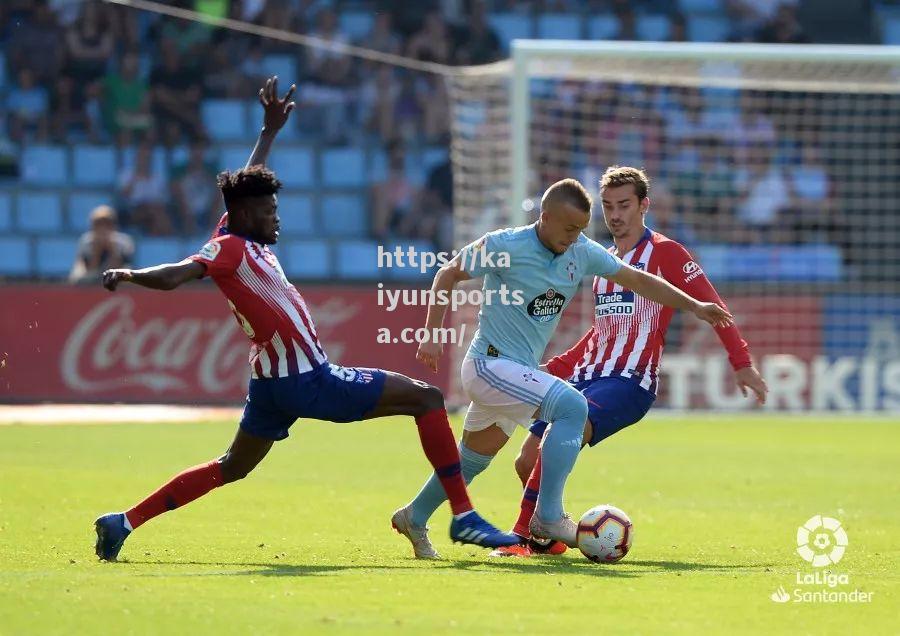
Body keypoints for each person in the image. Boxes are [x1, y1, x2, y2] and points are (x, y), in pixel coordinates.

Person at [93, 77, 518, 562]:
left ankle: (122, 522)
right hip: (307, 379)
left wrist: (269, 131)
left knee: (232, 466)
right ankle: (463, 515)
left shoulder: (239, 232)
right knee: (427, 398)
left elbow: (247, 181)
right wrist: (129, 273)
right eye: (270, 211)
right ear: (247, 214)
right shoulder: (229, 247)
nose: (278, 218)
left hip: (271, 383)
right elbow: (177, 275)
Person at [392, 176, 734, 558]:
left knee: (473, 459)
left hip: (512, 373)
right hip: (488, 365)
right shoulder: (505, 245)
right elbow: (447, 274)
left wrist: (695, 305)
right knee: (572, 406)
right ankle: (548, 517)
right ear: (546, 217)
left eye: (580, 230)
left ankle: (414, 516)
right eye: (568, 228)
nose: (574, 237)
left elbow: (637, 279)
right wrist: (431, 333)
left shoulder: (581, 250)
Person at [493, 166, 769, 557]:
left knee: (556, 437)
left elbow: (714, 307)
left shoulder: (666, 253)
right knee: (524, 461)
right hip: (587, 375)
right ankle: (550, 540)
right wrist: (556, 367)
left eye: (624, 205)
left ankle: (524, 534)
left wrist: (741, 362)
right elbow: (601, 332)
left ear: (644, 205)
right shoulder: (603, 260)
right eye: (608, 206)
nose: (616, 214)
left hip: (629, 381)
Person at [69, 206, 134, 284]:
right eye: (98, 224)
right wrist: (96, 251)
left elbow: (120, 269)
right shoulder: (86, 242)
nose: (103, 228)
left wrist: (113, 250)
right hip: (92, 280)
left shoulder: (124, 242)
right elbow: (89, 271)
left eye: (107, 224)